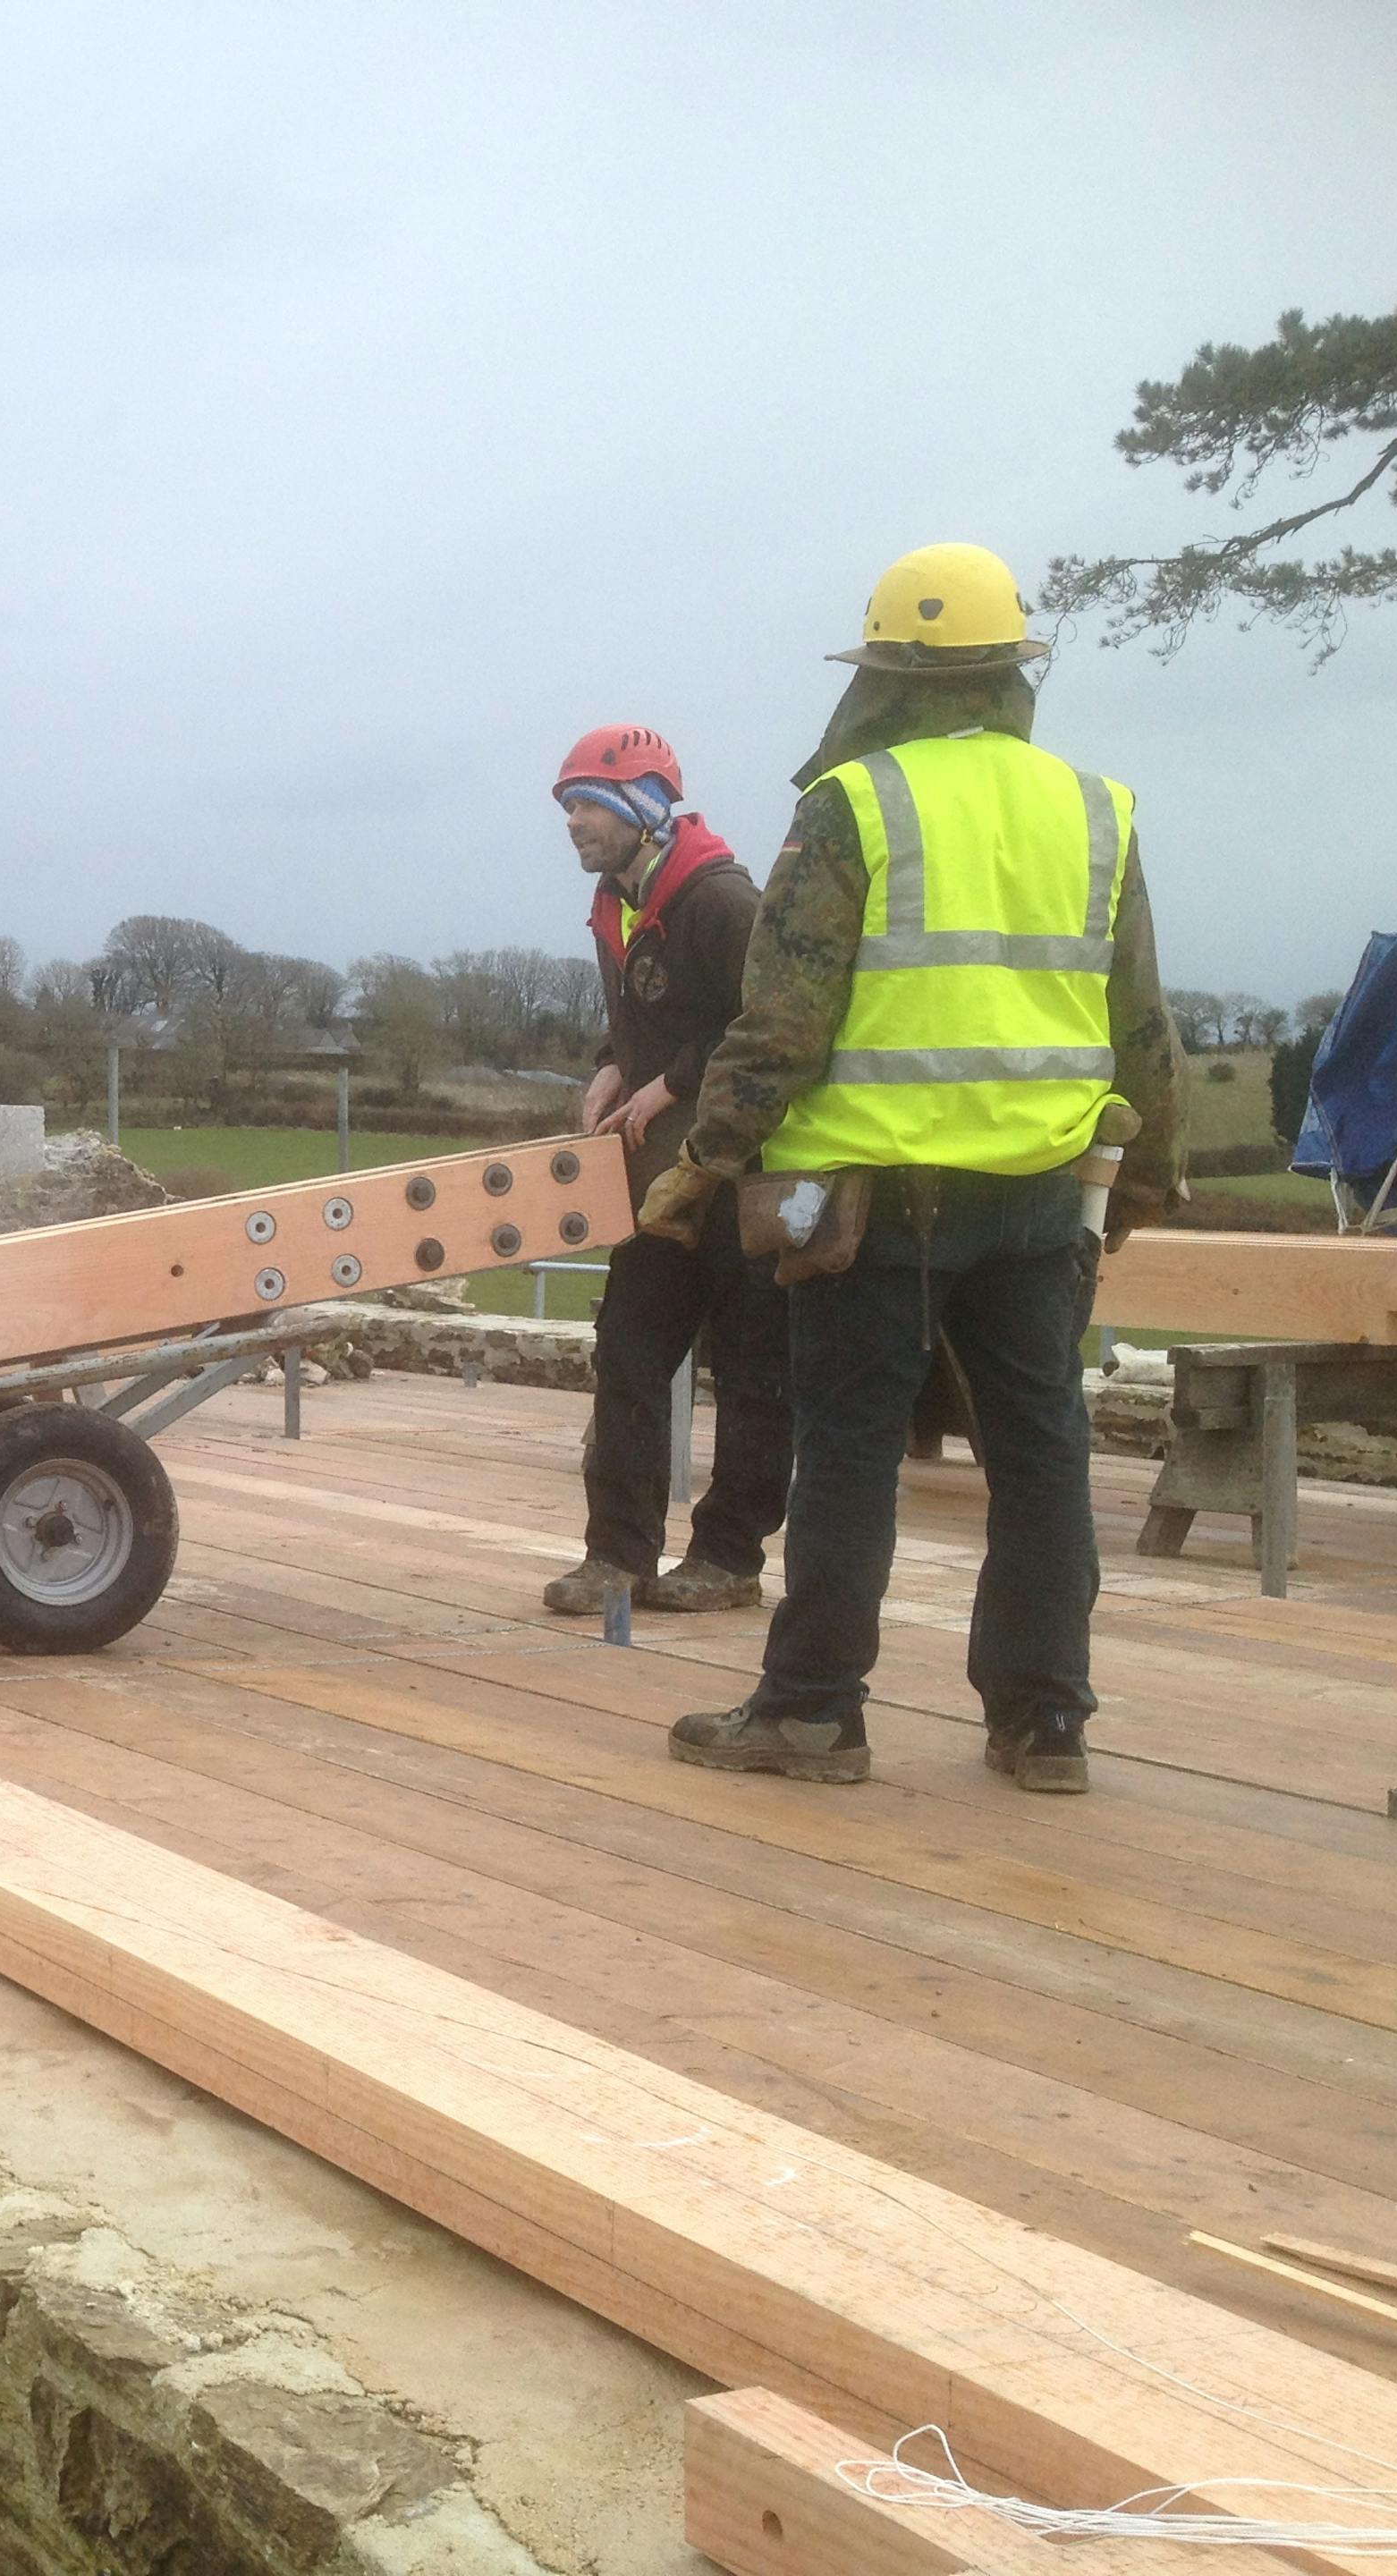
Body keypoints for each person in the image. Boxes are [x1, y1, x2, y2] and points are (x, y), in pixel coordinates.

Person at [639, 544, 1181, 1793]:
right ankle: (1047, 1724)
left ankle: (816, 1712)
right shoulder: (1096, 807)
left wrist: (701, 1166)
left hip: (865, 1201)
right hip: (1040, 1198)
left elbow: (782, 1023)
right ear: (1010, 674)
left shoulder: (854, 805)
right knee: (1042, 1454)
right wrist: (1149, 1172)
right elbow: (1140, 1015)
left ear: (883, 674)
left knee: (848, 1449)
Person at [537, 724, 792, 1619]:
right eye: (569, 807)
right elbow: (656, 1014)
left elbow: (775, 1024)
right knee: (630, 1355)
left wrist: (668, 1084)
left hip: (746, 1172)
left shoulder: (722, 902)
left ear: (645, 808)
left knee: (756, 1373)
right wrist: (614, 1058)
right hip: (659, 1182)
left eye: (591, 806)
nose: (574, 823)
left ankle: (729, 1558)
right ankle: (619, 1558)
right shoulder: (618, 901)